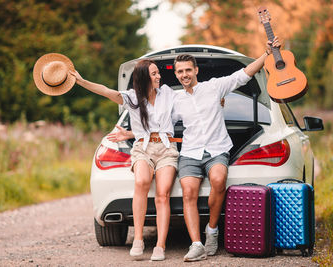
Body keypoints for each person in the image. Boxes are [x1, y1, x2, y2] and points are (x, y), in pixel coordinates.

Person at [173, 36, 281, 262]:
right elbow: (155, 120)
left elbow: (244, 75)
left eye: (187, 70)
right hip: (190, 152)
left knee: (219, 180)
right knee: (189, 192)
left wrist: (267, 54)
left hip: (216, 149)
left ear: (196, 70)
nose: (184, 75)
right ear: (175, 74)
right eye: (180, 71)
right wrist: (130, 133)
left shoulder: (214, 87)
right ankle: (196, 245)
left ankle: (212, 230)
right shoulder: (174, 100)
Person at [70, 59, 179, 261]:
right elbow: (106, 91)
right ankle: (138, 240)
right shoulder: (132, 97)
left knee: (162, 195)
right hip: (142, 149)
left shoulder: (169, 94)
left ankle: (160, 246)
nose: (159, 76)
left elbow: (192, 101)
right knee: (141, 182)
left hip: (167, 148)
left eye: (158, 73)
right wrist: (82, 82)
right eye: (154, 74)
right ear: (145, 77)